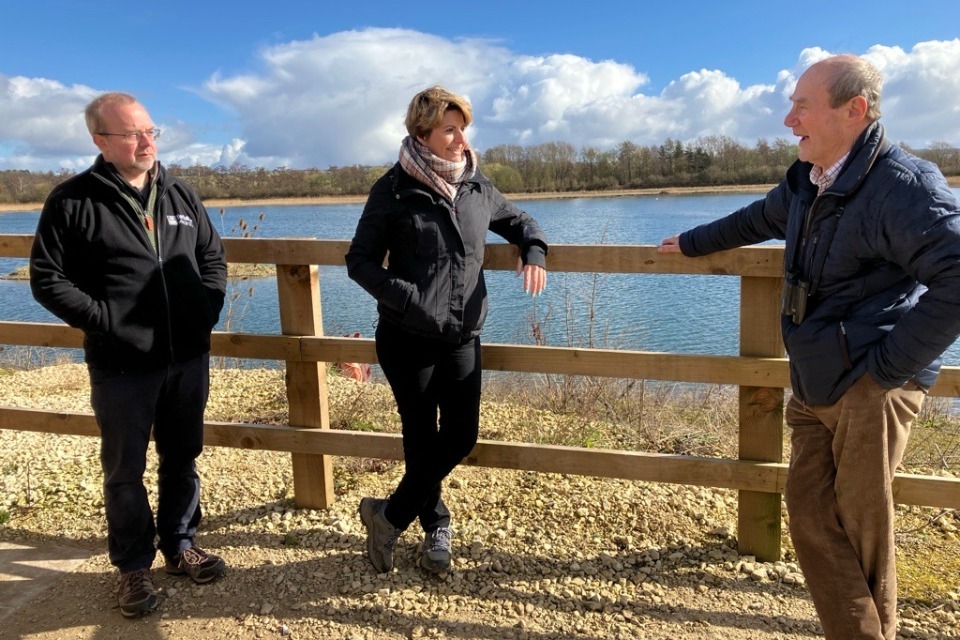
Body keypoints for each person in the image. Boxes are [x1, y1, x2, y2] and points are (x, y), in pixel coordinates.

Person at [659, 55, 960, 639]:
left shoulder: (901, 186)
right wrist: (690, 242)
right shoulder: (808, 181)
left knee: (860, 527)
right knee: (810, 514)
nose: (787, 117)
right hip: (817, 375)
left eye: (801, 105)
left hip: (870, 386)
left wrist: (886, 370)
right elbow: (755, 219)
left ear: (855, 110)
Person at [29, 92, 228, 618]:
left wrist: (204, 310)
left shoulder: (180, 194)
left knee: (183, 457)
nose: (146, 142)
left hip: (186, 358)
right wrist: (108, 321)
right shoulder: (72, 201)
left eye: (151, 131)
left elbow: (212, 257)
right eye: (132, 134)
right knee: (125, 469)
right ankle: (133, 566)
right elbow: (48, 279)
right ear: (100, 140)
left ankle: (181, 544)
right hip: (121, 367)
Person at [346, 85, 548, 574]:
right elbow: (360, 261)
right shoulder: (393, 189)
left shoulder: (478, 185)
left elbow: (521, 221)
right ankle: (436, 525)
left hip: (461, 336)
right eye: (449, 130)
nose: (461, 139)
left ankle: (388, 515)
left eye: (463, 128)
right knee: (420, 439)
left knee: (459, 436)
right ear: (423, 133)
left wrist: (534, 250)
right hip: (406, 337)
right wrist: (411, 301)